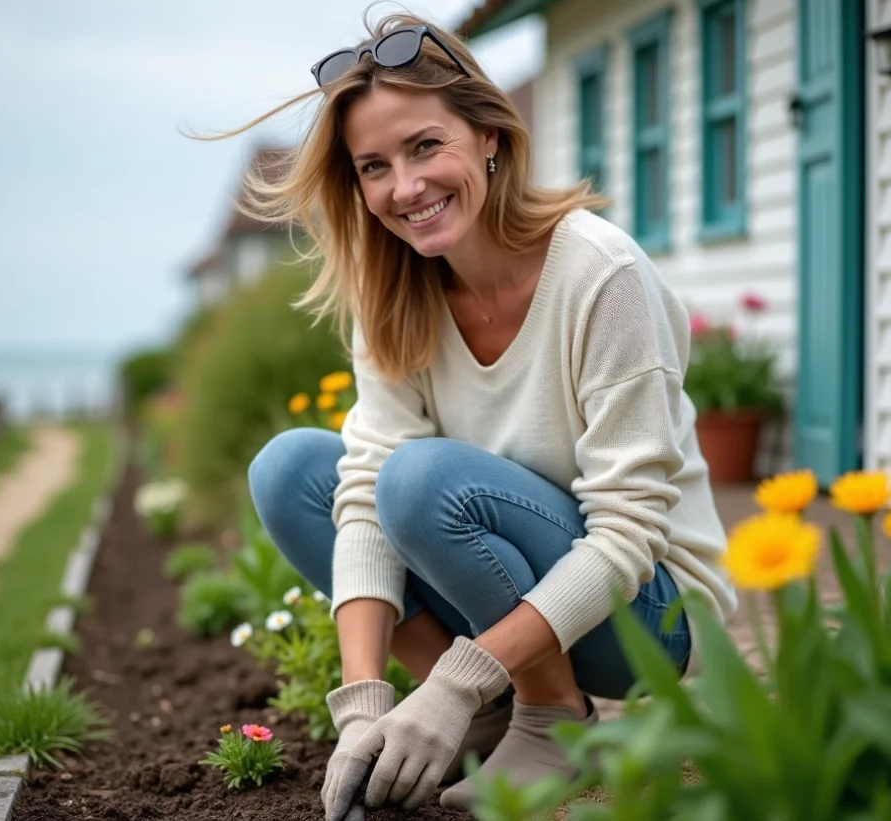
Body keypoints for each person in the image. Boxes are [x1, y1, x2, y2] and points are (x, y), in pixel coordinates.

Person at [235, 9, 738, 819]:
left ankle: (552, 717)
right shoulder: (395, 292)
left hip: (646, 614)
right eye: (374, 166)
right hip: (508, 584)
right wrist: (363, 699)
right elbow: (360, 494)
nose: (405, 188)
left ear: (490, 137)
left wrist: (453, 679)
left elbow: (628, 534)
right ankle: (492, 712)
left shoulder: (599, 274)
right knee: (293, 471)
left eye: (426, 146)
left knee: (423, 479)